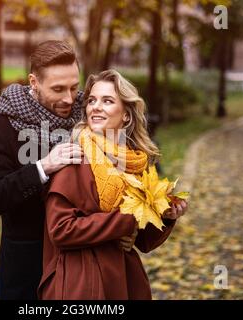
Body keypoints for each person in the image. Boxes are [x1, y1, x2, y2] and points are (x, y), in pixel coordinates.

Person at [38, 70, 188, 300]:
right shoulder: (74, 158)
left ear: (126, 116)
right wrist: (128, 219)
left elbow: (144, 241)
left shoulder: (135, 164)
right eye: (92, 100)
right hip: (82, 282)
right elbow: (61, 230)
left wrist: (167, 216)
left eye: (107, 101)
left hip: (123, 278)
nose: (96, 107)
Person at [0, 40, 84, 300]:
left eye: (74, 87)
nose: (69, 98)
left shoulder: (88, 117)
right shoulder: (0, 128)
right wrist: (42, 167)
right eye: (58, 89)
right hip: (27, 272)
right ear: (34, 83)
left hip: (83, 264)